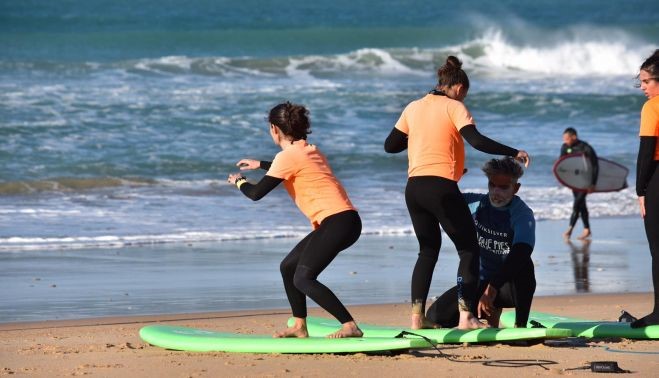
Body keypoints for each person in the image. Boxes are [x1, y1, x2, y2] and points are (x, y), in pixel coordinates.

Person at [384, 56, 530, 330]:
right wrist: (513, 152)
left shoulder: (413, 108)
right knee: (468, 250)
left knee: (427, 251)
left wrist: (420, 136)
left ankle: (417, 319)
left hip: (414, 188)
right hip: (440, 187)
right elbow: (476, 140)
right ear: (459, 88)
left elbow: (390, 146)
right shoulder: (454, 107)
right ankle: (466, 317)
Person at [227, 102, 363, 338]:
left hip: (338, 222)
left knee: (304, 277)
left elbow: (256, 194)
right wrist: (260, 164)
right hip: (345, 221)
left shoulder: (286, 157)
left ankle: (349, 325)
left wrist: (239, 181)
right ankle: (299, 325)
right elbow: (290, 167)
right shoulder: (309, 149)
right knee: (288, 267)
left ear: (274, 128)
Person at [426, 157, 536, 328]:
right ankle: (486, 317)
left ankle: (519, 325)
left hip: (509, 287)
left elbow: (522, 251)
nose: (496, 191)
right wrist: (451, 182)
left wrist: (492, 288)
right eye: (492, 185)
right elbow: (441, 200)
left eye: (503, 187)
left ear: (516, 188)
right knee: (435, 316)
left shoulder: (522, 213)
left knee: (524, 264)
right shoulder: (475, 203)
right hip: (480, 282)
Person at [632, 49, 659, 328]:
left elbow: (647, 151)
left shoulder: (652, 107)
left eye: (646, 81)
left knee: (658, 249)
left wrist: (641, 190)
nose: (642, 87)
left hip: (657, 181)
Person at [560, 127, 598, 240]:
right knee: (582, 205)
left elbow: (595, 166)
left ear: (574, 137)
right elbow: (561, 165)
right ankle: (587, 229)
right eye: (564, 138)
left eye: (567, 138)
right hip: (574, 182)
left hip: (585, 182)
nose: (565, 141)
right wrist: (564, 180)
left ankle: (570, 229)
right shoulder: (565, 147)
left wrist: (593, 184)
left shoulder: (585, 148)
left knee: (577, 204)